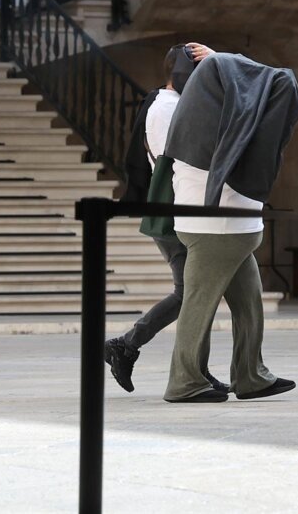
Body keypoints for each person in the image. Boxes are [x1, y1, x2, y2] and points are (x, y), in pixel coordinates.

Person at [161, 52, 298, 404]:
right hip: (219, 224)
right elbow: (276, 79)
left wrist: (221, 60)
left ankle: (251, 375)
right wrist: (225, 59)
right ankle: (185, 380)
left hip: (220, 224)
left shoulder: (199, 111)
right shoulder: (210, 116)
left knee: (248, 302)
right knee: (199, 302)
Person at [103, 41, 226, 394]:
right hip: (174, 210)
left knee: (194, 293)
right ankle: (129, 347)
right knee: (192, 292)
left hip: (180, 209)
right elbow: (190, 158)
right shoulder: (167, 108)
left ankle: (142, 352)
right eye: (199, 73)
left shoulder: (170, 103)